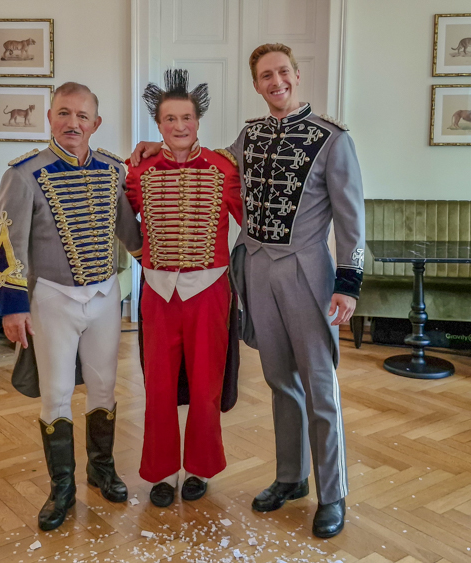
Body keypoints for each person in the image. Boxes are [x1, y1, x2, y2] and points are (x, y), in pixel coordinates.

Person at [131, 44, 365, 538]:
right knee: (282, 382)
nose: (275, 81)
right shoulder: (250, 136)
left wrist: (349, 281)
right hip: (256, 271)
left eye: (282, 72)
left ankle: (334, 493)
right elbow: (204, 161)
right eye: (265, 75)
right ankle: (289, 476)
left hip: (307, 272)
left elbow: (352, 219)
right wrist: (158, 146)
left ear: (296, 76)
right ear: (256, 85)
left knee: (320, 387)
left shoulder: (332, 139)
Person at [0, 82, 143, 531]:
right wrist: (12, 306)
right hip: (50, 300)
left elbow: (133, 235)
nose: (72, 123)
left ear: (96, 123)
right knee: (56, 393)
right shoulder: (23, 174)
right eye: (64, 113)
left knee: (103, 389)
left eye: (82, 115)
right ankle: (61, 488)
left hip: (103, 298)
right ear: (50, 118)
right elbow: (6, 244)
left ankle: (101, 469)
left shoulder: (114, 170)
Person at [125, 70, 243, 508]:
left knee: (206, 384)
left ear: (198, 121)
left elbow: (251, 222)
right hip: (157, 292)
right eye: (170, 119)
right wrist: (140, 255)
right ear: (158, 125)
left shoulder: (224, 168)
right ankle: (159, 472)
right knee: (156, 387)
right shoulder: (139, 169)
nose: (179, 126)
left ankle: (198, 468)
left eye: (187, 118)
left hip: (210, 289)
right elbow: (122, 217)